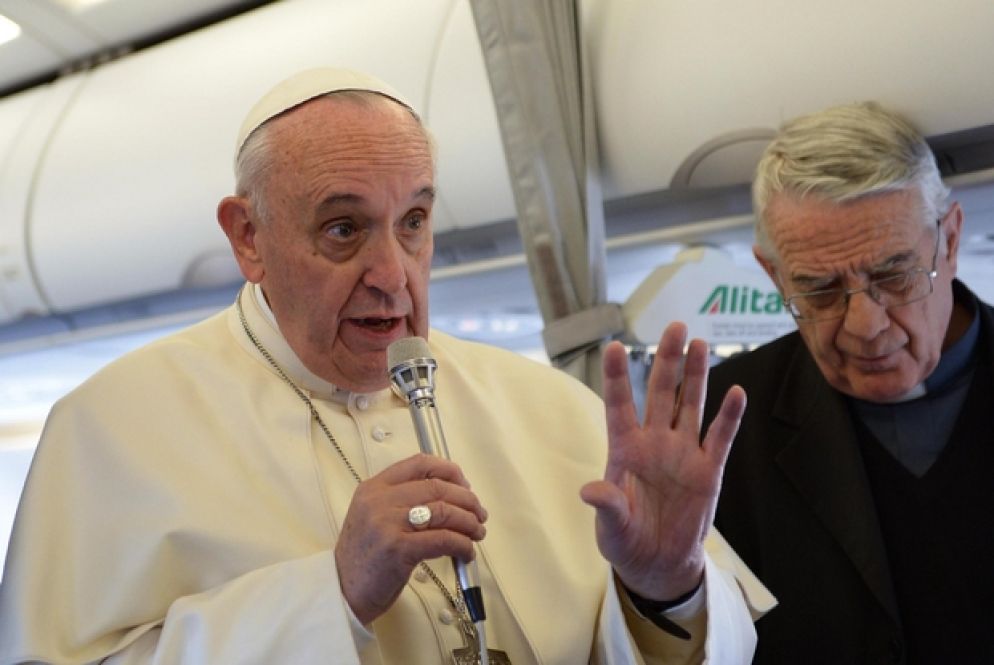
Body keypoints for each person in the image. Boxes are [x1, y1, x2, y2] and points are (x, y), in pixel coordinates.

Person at [0, 68, 773, 664]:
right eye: (344, 229)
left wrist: (666, 585)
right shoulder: (112, 426)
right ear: (248, 238)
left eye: (414, 223)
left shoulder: (545, 404)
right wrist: (329, 591)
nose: (394, 275)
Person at [706, 101, 994, 663]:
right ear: (774, 274)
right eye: (818, 290)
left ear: (951, 241)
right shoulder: (722, 419)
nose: (866, 325)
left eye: (894, 275)